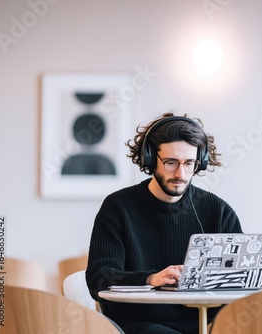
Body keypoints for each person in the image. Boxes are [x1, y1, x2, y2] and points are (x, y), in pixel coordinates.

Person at [86, 112, 243, 334]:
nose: (181, 173)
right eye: (170, 162)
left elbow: (240, 278)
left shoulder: (217, 210)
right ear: (149, 159)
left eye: (189, 163)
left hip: (204, 324)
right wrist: (151, 278)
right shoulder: (118, 206)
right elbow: (99, 277)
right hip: (138, 325)